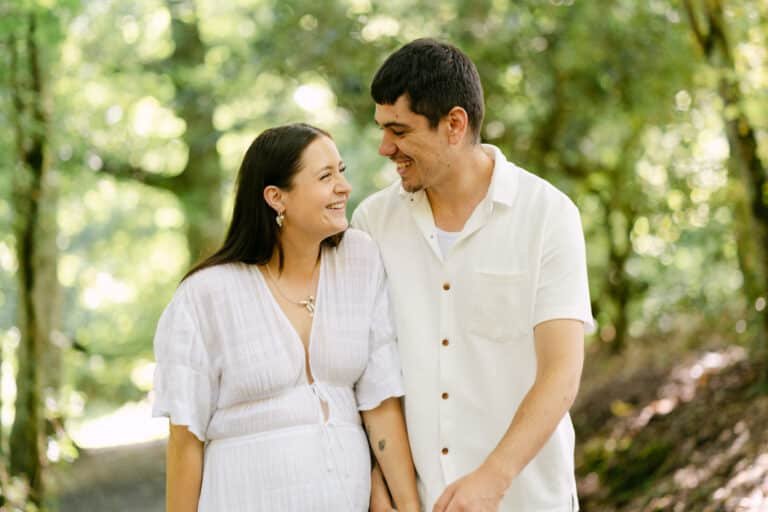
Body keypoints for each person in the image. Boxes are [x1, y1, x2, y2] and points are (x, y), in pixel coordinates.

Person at [352, 39, 594, 512]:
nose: (385, 148)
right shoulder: (372, 224)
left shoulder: (548, 215)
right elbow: (368, 377)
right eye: (382, 130)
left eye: (399, 131)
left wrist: (493, 477)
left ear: (454, 125)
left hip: (527, 499)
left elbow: (562, 372)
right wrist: (379, 489)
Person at [152, 123, 419, 511]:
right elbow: (185, 440)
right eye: (326, 176)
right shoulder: (206, 295)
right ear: (277, 198)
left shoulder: (359, 261)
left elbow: (380, 403)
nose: (344, 186)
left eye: (341, 171)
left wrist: (409, 506)